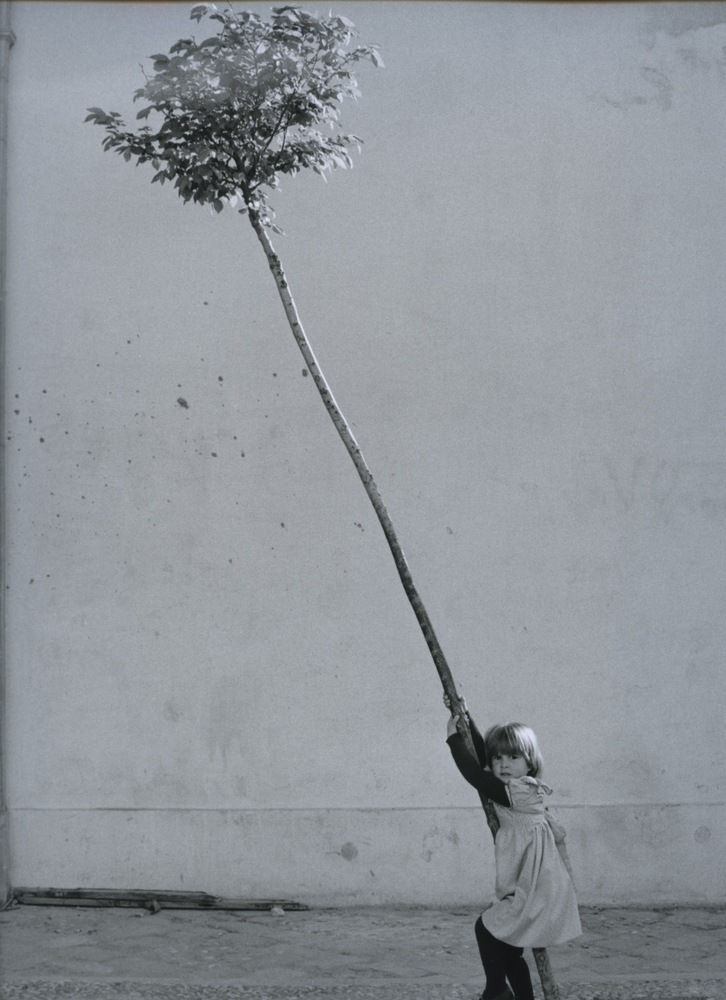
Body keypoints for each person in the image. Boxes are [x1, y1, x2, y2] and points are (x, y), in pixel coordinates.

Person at [445, 700, 581, 1000]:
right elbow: (483, 759)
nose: (504, 764)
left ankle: (496, 989)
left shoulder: (517, 791)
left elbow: (474, 774)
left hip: (536, 887)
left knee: (485, 927)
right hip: (532, 882)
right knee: (510, 951)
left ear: (530, 762)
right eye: (499, 758)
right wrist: (466, 720)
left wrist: (454, 740)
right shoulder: (513, 784)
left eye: (514, 757)